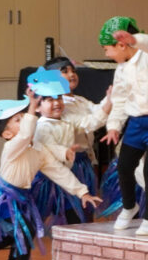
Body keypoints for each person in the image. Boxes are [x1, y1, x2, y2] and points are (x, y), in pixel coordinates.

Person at [0, 91, 100, 260]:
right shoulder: (13, 146)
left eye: (23, 118)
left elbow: (58, 171)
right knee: (26, 231)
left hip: (21, 196)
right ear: (7, 134)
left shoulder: (38, 149)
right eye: (18, 120)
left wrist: (82, 192)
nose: (26, 121)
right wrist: (32, 108)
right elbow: (26, 134)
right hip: (5, 196)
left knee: (14, 234)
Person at [100, 16, 148, 236]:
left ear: (122, 45)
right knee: (124, 166)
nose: (106, 54)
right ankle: (129, 206)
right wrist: (114, 126)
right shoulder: (121, 69)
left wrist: (135, 39)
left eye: (107, 49)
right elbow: (120, 100)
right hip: (136, 123)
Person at [46, 56, 111, 198]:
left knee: (87, 200)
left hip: (84, 161)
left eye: (73, 71)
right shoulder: (58, 107)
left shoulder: (80, 100)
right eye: (65, 71)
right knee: (71, 202)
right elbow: (88, 123)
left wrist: (110, 97)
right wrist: (109, 103)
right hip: (68, 163)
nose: (71, 74)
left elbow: (96, 109)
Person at [31, 75, 89, 225]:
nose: (57, 103)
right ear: (37, 107)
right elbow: (51, 160)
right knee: (36, 219)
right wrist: (64, 153)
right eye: (50, 100)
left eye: (59, 98)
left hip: (64, 175)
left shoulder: (66, 120)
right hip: (47, 179)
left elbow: (90, 123)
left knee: (73, 215)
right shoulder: (42, 128)